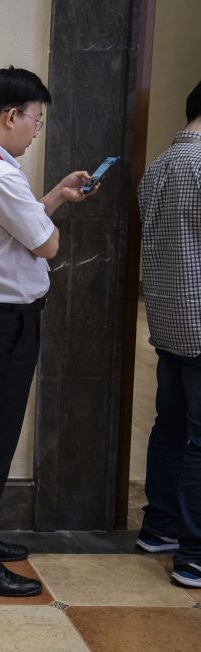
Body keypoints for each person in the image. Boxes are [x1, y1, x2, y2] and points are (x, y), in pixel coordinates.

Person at [0, 66, 95, 596]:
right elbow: (47, 246)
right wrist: (48, 218)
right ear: (12, 115)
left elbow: (15, 229)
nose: (36, 130)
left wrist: (52, 196)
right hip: (1, 324)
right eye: (36, 119)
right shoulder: (2, 176)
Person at [136, 80, 201, 589]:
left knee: (170, 425)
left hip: (167, 319)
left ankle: (159, 527)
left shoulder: (157, 167)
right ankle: (196, 553)